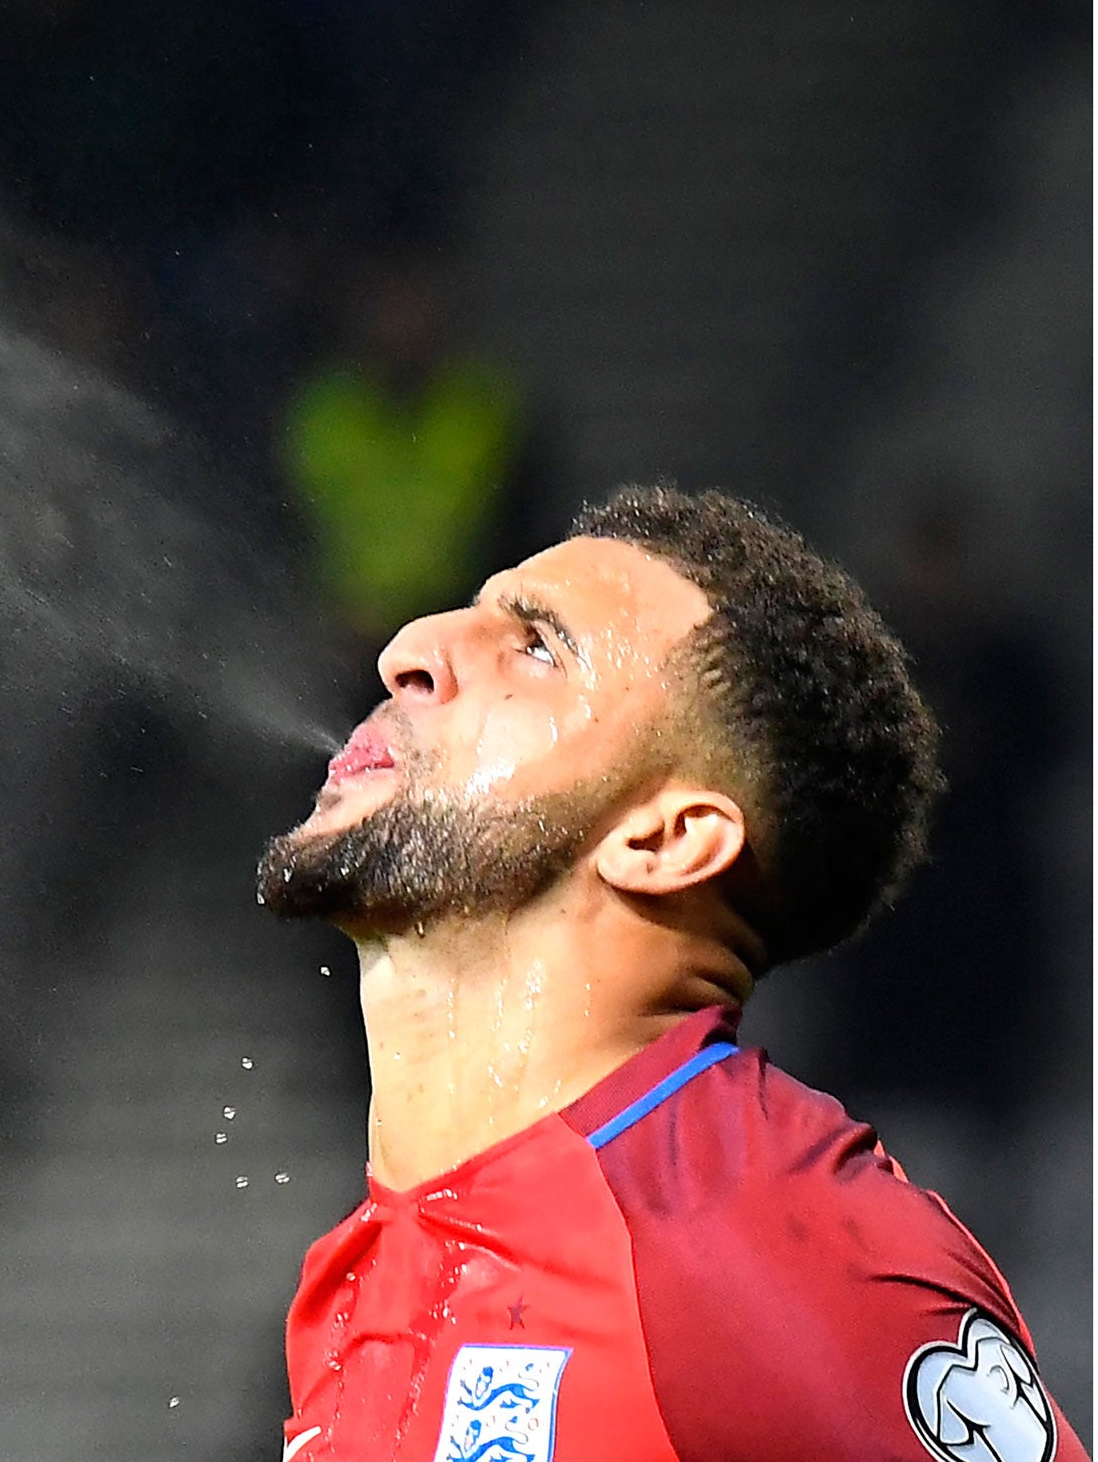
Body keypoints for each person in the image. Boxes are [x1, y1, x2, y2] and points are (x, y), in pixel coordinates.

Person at [255, 485, 1087, 1462]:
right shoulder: (364, 1267)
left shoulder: (782, 1249)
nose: (407, 650)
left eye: (535, 648)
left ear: (664, 838)